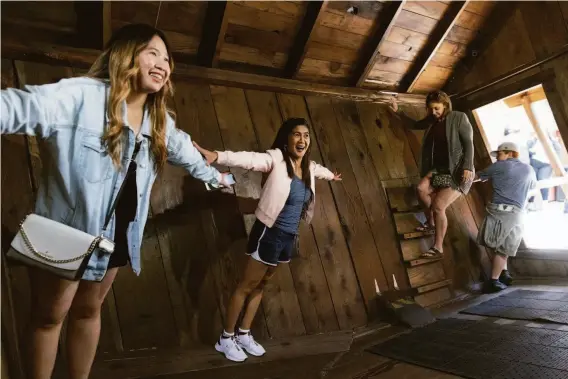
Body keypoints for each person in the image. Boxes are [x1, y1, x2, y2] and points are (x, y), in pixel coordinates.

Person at [1, 23, 232, 379]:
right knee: (48, 317)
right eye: (152, 52)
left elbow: (191, 157)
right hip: (66, 233)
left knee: (89, 311)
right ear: (125, 55)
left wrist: (220, 180)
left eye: (167, 59)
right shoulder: (79, 96)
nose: (162, 63)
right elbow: (17, 107)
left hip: (119, 236)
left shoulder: (161, 123)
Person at [193, 118, 342, 362]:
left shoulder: (309, 168)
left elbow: (320, 171)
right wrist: (217, 156)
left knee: (262, 286)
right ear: (287, 139)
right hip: (269, 232)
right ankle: (226, 338)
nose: (302, 140)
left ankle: (243, 333)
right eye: (296, 135)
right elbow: (248, 159)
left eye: (306, 135)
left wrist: (331, 176)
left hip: (288, 236)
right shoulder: (275, 159)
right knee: (246, 285)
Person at [389, 91, 475, 259]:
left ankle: (438, 247)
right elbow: (414, 125)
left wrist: (468, 167)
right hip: (439, 169)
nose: (433, 112)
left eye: (436, 108)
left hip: (458, 171)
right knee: (421, 188)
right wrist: (397, 111)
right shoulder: (432, 120)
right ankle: (431, 223)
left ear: (445, 105)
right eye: (430, 109)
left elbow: (469, 143)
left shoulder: (459, 117)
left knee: (438, 206)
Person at [475, 142, 537, 293]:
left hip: (501, 211)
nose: (497, 159)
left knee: (498, 247)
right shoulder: (529, 169)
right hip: (518, 214)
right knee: (506, 246)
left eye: (500, 154)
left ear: (509, 153)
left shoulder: (500, 166)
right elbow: (532, 188)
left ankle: (493, 281)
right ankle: (504, 274)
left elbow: (474, 177)